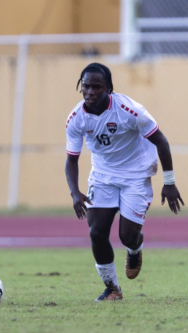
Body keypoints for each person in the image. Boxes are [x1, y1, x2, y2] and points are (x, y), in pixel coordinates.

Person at [65, 62, 184, 301]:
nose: (90, 92)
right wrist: (75, 192)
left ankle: (135, 248)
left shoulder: (130, 111)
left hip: (136, 174)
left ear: (108, 87)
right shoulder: (76, 118)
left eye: (96, 87)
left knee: (126, 236)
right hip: (103, 176)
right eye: (86, 86)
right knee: (97, 232)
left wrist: (169, 182)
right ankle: (112, 289)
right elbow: (71, 160)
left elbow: (162, 142)